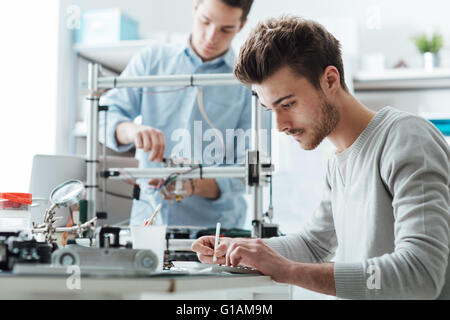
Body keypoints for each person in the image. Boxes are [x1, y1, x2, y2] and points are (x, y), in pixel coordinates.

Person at [192, 16, 450, 299]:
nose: (279, 125)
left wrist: (287, 270)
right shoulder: (338, 160)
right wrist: (241, 248)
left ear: (330, 80)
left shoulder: (407, 139)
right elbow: (314, 244)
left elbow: (421, 274)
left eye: (288, 104)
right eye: (270, 110)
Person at [99, 0, 254, 228]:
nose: (211, 37)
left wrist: (192, 185)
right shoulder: (151, 61)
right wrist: (132, 131)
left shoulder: (248, 83)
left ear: (242, 26)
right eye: (205, 21)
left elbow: (249, 171)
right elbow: (104, 116)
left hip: (217, 231)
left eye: (225, 29)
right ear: (195, 8)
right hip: (148, 222)